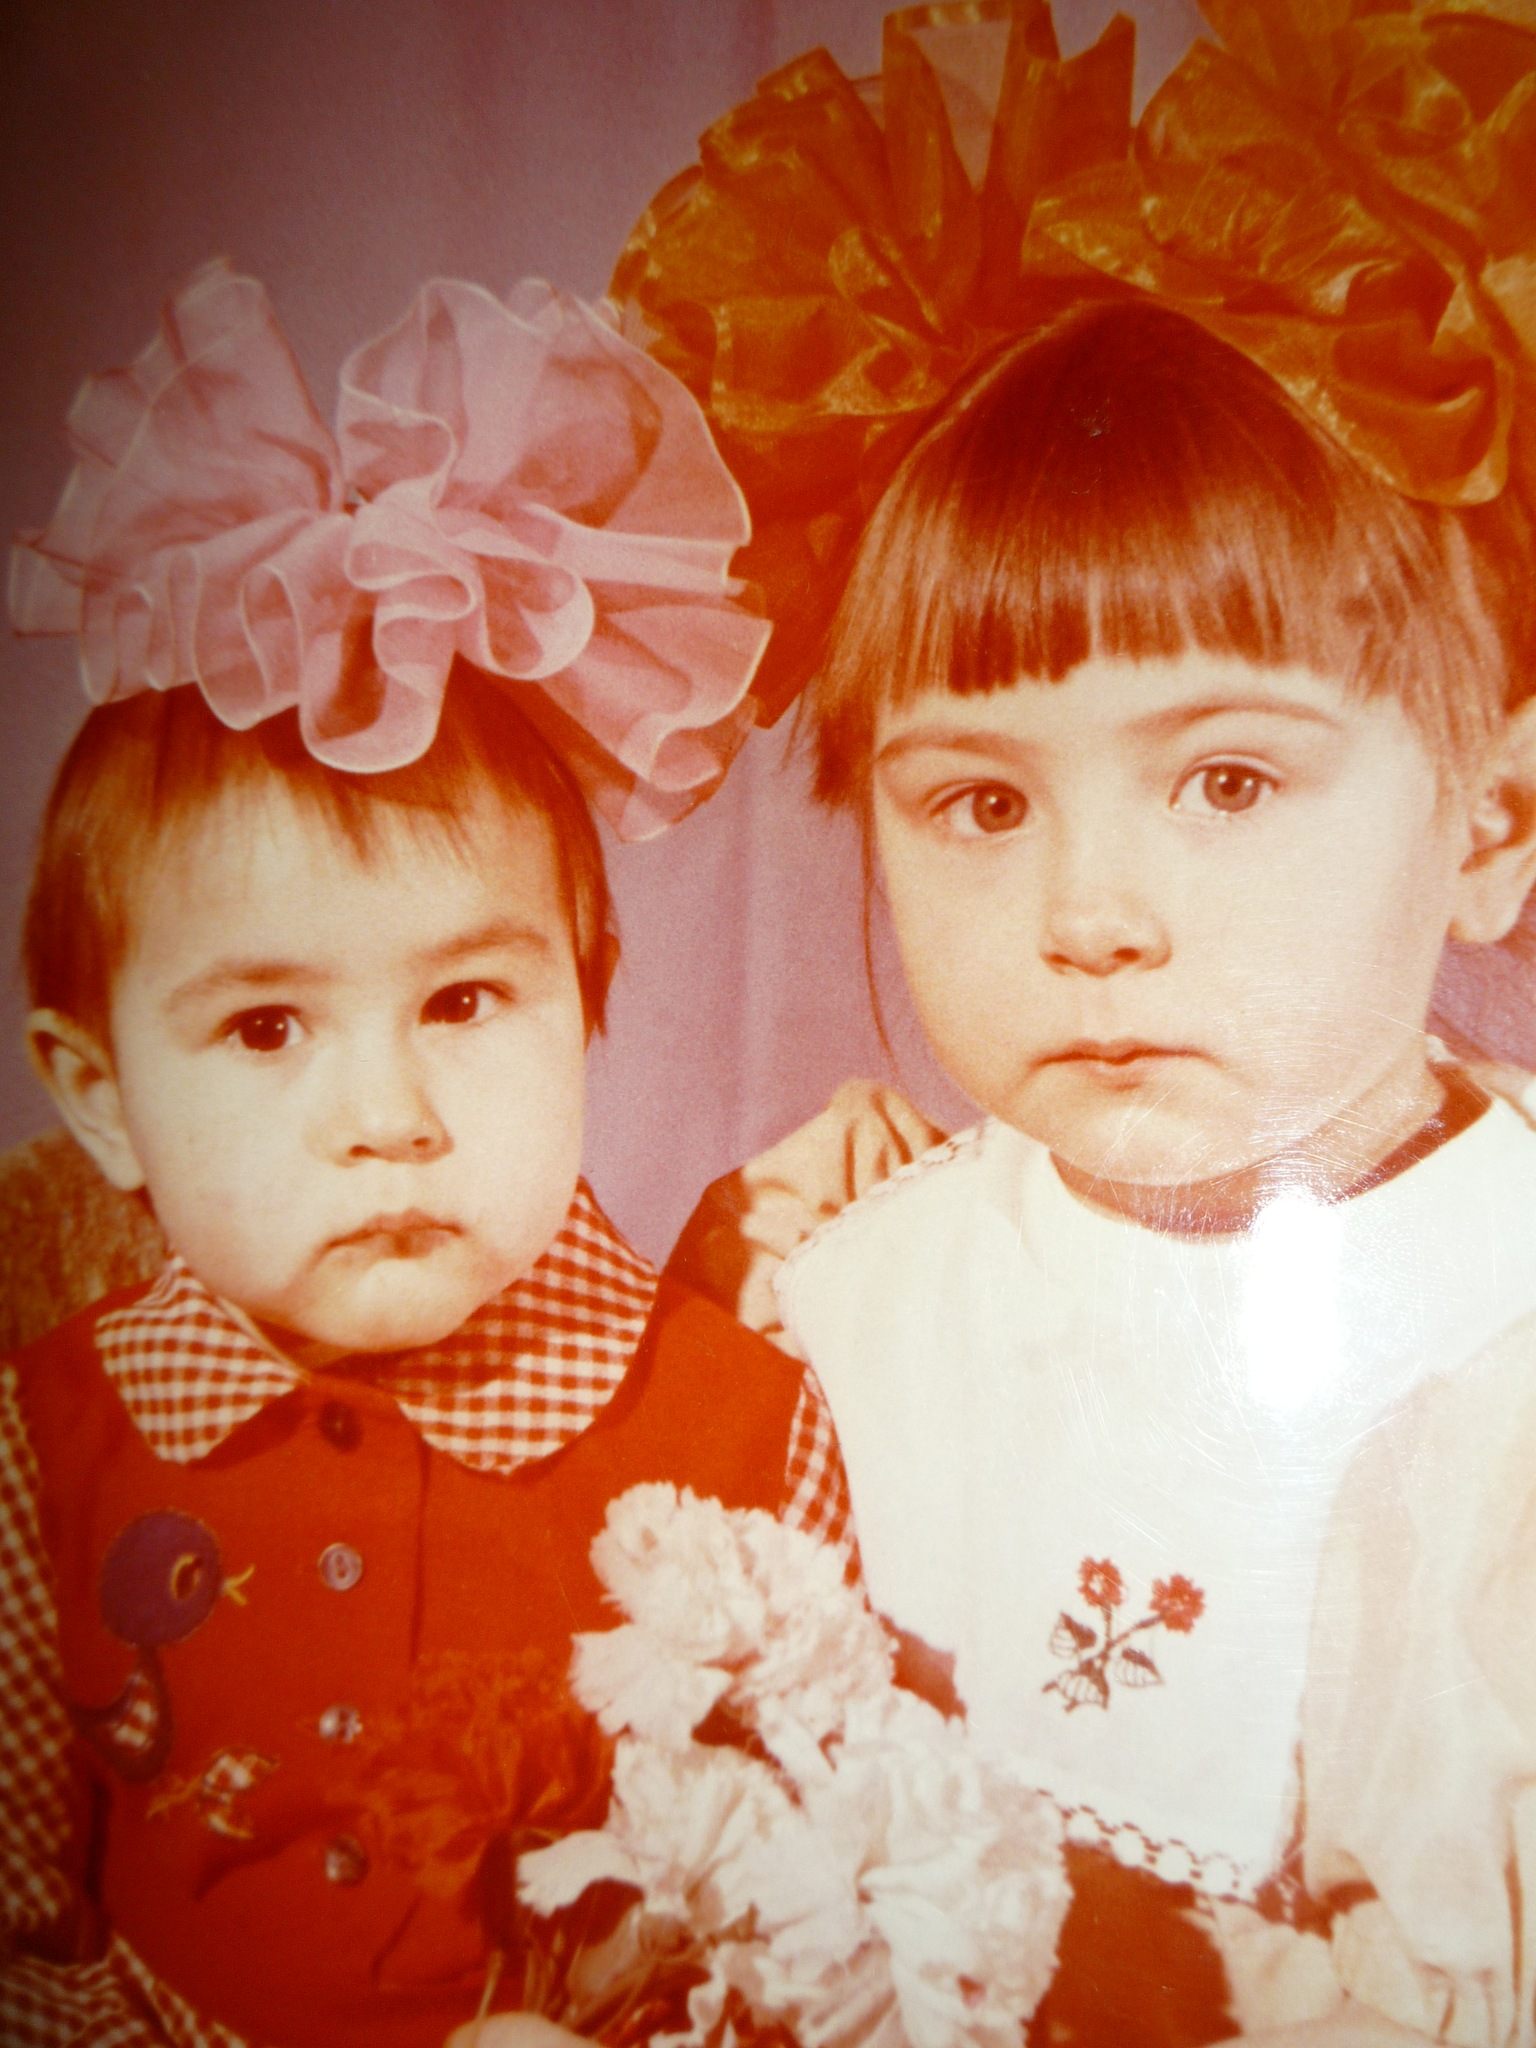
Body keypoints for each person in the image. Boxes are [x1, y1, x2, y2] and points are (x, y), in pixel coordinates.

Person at [617, 0, 1536, 2038]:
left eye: (1229, 780)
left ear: (1493, 825)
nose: (1090, 918)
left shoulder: (1511, 1329)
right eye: (980, 805)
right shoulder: (840, 1300)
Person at [0, 262, 851, 2048]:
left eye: (464, 1000)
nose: (387, 1113)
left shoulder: (747, 1428)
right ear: (100, 1093)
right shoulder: (47, 1444)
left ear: (589, 996)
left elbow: (814, 1909)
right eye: (265, 1028)